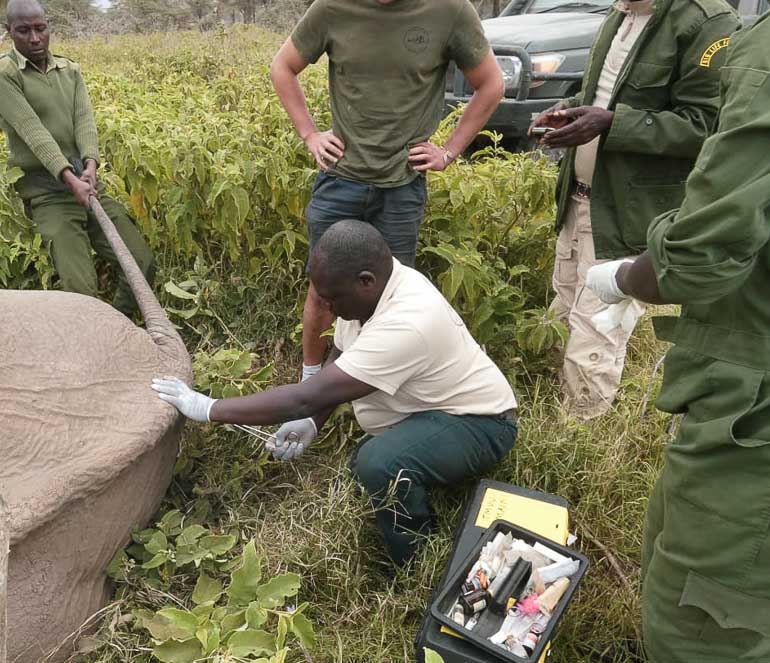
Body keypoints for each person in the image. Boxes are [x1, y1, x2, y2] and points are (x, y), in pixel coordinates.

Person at [152, 221, 518, 566]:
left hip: (481, 424)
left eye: (331, 299)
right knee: (370, 463)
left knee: (379, 464)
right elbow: (341, 357)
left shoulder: (408, 322)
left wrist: (209, 407)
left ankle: (417, 558)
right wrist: (312, 421)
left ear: (365, 281)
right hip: (431, 410)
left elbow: (305, 396)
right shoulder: (372, 292)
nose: (325, 308)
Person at [583, 12, 770, 660]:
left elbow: (701, 254)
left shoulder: (728, 34)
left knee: (701, 627)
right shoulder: (625, 19)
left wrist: (627, 273)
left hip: (750, 415)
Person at [269, 0, 505, 383]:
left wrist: (449, 150)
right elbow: (283, 66)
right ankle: (311, 381)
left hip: (402, 186)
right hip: (340, 178)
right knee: (322, 288)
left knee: (390, 296)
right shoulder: (332, 8)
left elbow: (491, 84)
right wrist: (310, 133)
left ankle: (370, 381)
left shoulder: (450, 10)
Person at [529, 0, 738, 419]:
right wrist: (566, 112)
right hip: (579, 197)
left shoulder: (706, 21)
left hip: (628, 211)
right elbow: (603, 94)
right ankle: (557, 425)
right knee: (561, 319)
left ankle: (581, 440)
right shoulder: (621, 13)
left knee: (595, 336)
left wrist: (610, 123)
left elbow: (706, 126)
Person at [0, 0, 154, 316]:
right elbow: (32, 131)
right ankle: (91, 345)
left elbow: (84, 119)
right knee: (82, 294)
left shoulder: (69, 69)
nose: (34, 38)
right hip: (48, 193)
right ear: (9, 32)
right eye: (23, 31)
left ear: (48, 28)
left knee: (141, 262)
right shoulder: (0, 74)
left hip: (85, 183)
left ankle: (121, 327)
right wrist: (67, 177)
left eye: (40, 29)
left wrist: (90, 164)